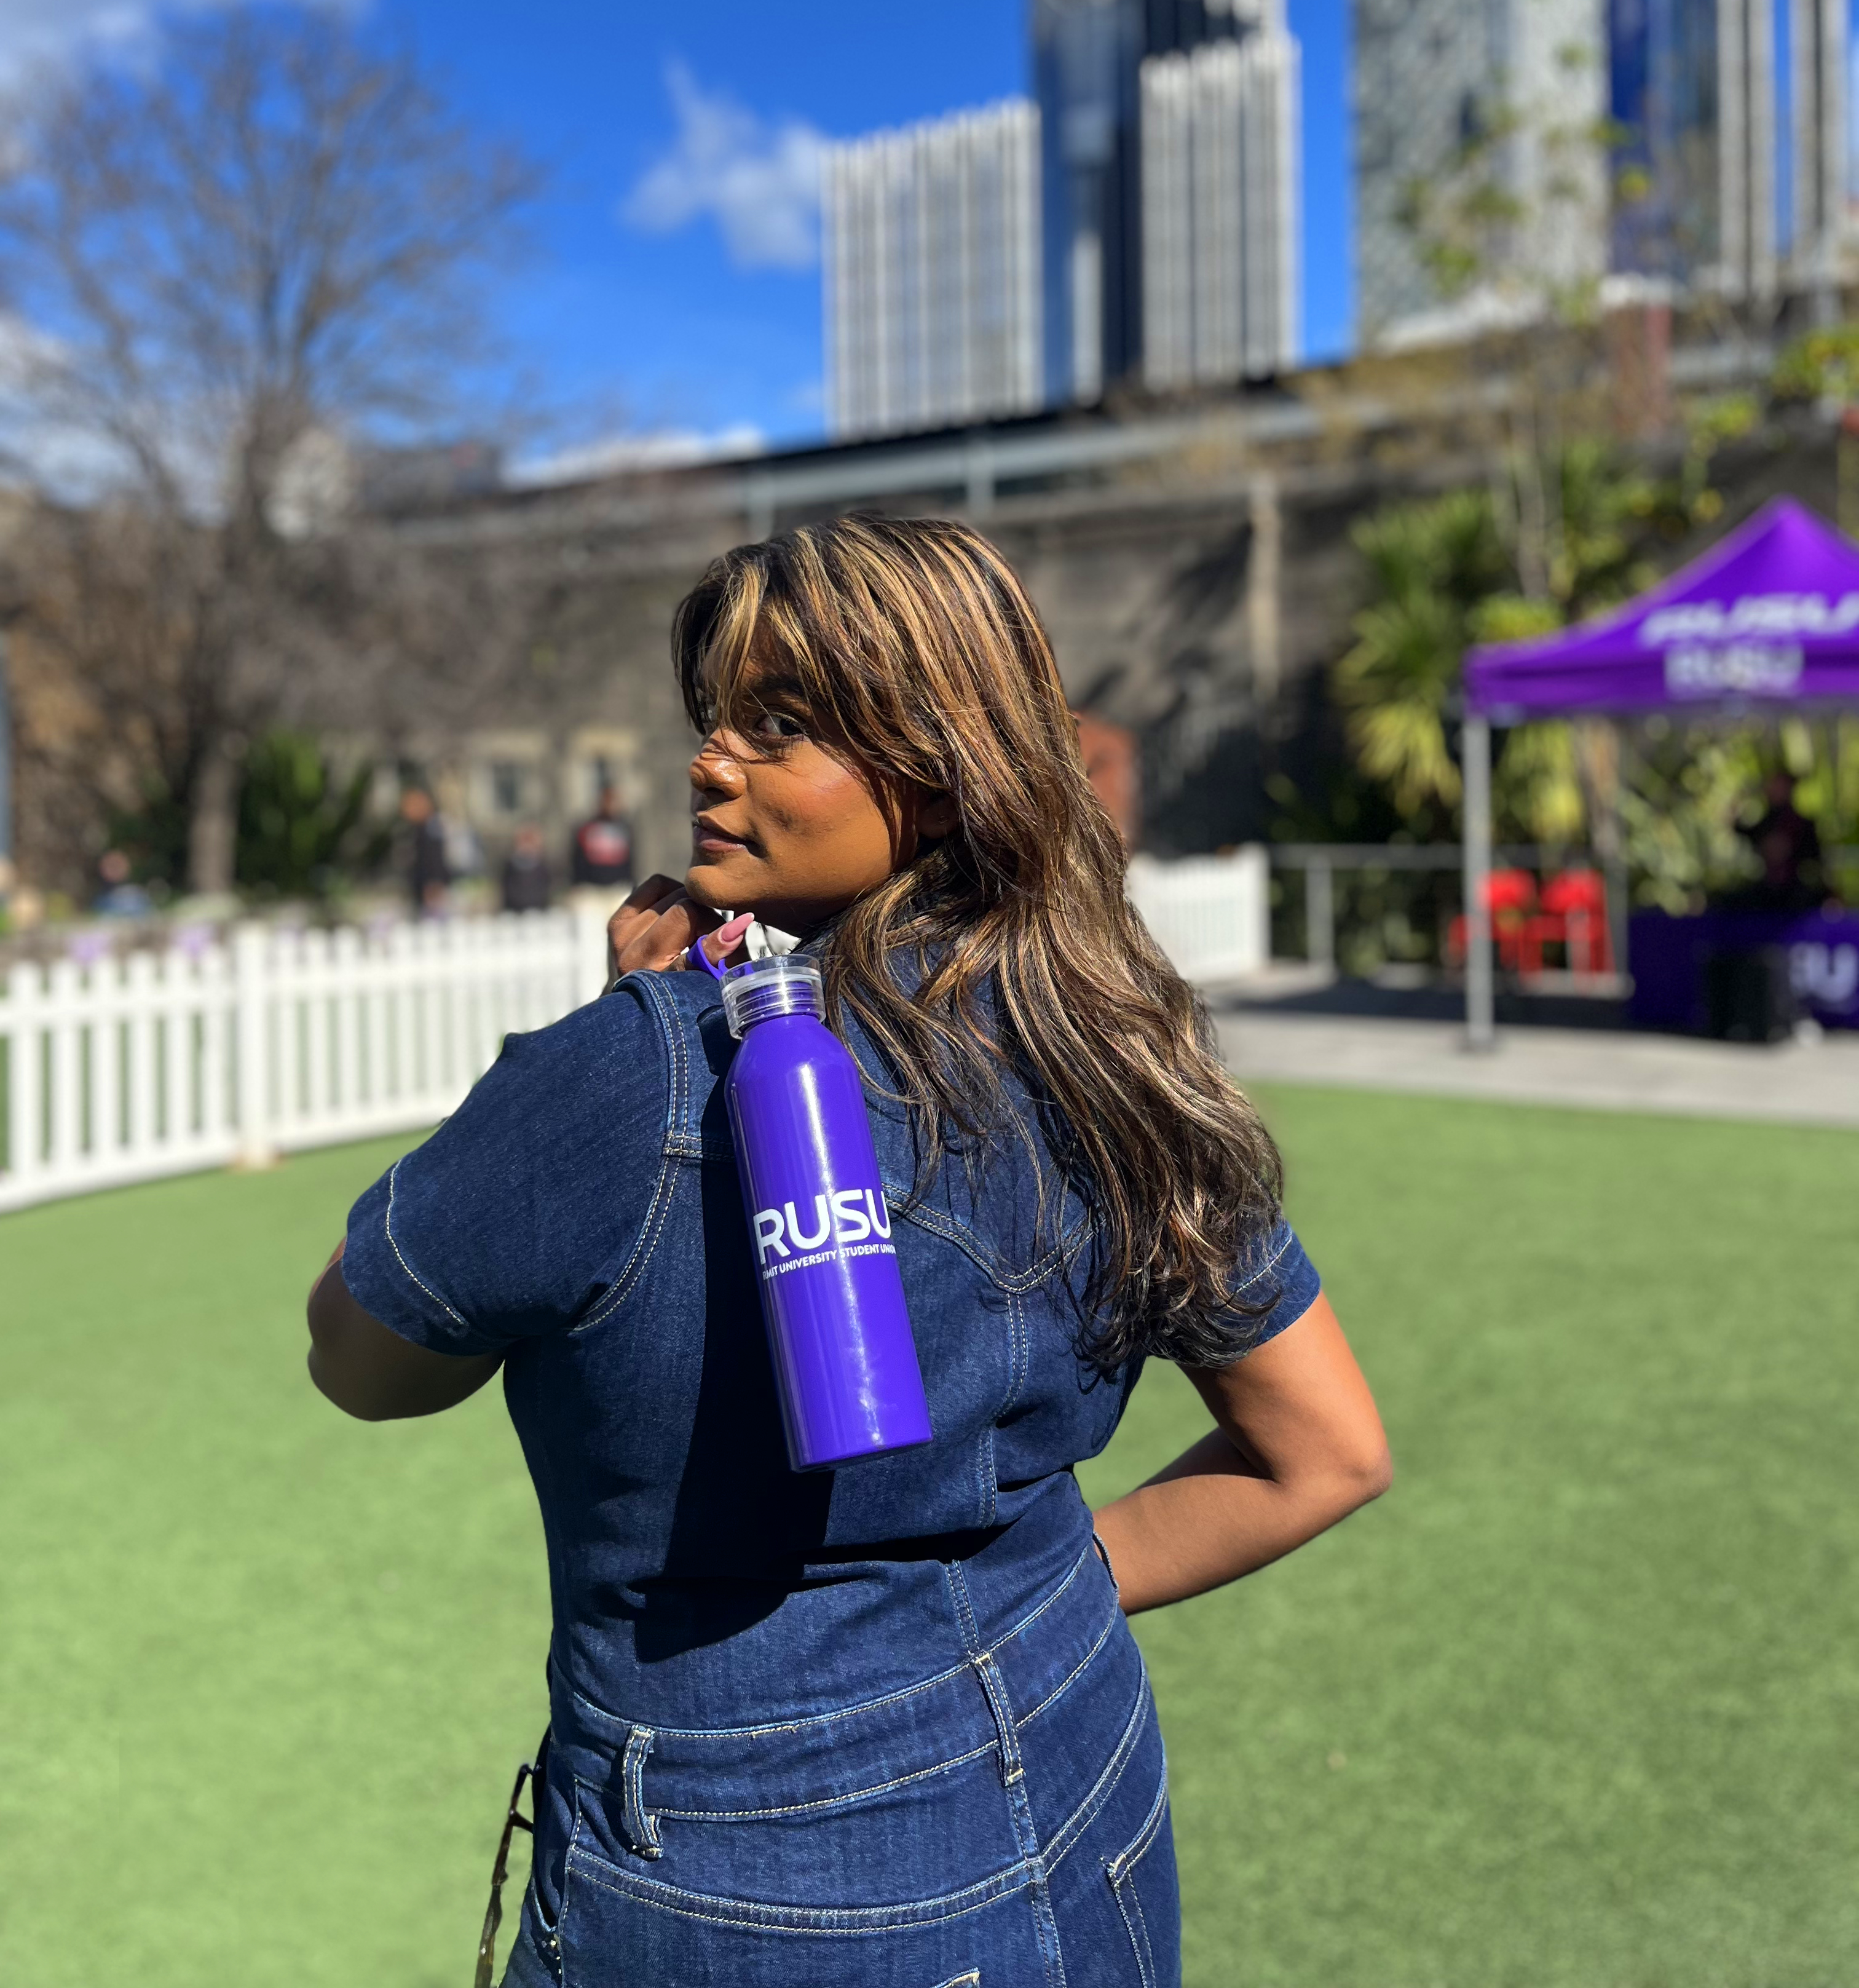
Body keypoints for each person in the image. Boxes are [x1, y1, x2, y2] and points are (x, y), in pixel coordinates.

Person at [307, 516, 1389, 1988]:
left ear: (942, 774)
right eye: (716, 721)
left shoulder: (637, 1071)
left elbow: (363, 1360)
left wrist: (617, 1039)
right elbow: (1324, 1450)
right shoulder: (1109, 1040)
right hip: (1084, 1767)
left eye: (784, 725)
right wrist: (1025, 1598)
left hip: (752, 1867)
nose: (709, 762)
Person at [1734, 769, 1825, 914]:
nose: (1774, 790)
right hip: (1766, 891)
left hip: (1795, 893)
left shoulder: (1802, 824)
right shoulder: (1764, 824)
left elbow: (1816, 861)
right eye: (1772, 785)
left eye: (1779, 786)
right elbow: (1740, 829)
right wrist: (1745, 796)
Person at [400, 784, 451, 919]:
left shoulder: (431, 828)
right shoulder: (418, 829)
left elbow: (435, 858)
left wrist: (434, 883)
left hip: (431, 891)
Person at [569, 783, 633, 892]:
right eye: (607, 800)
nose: (610, 805)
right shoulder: (588, 828)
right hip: (592, 889)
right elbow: (578, 859)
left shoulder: (625, 829)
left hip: (618, 888)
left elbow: (630, 860)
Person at [500, 823, 553, 914]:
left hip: (539, 913)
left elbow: (546, 891)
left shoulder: (543, 866)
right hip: (515, 914)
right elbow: (508, 892)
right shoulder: (510, 866)